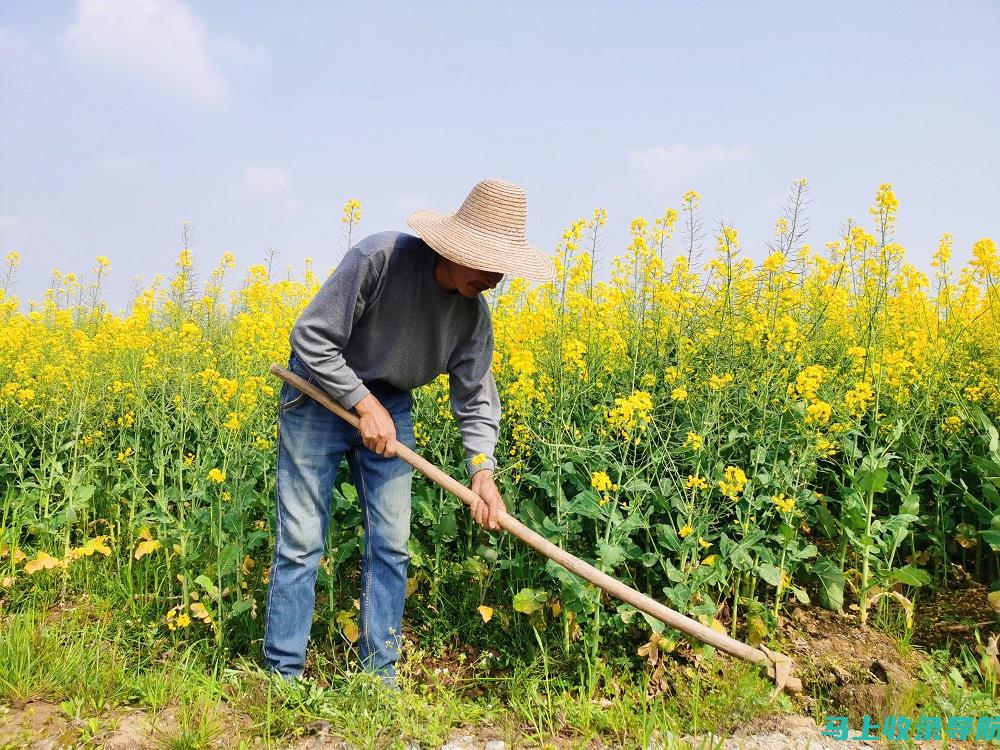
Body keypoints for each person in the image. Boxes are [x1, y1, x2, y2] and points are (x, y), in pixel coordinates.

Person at [263, 178, 555, 681]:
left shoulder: (471, 317)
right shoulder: (379, 258)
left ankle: (379, 679)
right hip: (318, 391)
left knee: (392, 543)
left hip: (390, 403)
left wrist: (483, 472)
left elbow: (476, 397)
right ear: (453, 247)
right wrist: (360, 400)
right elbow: (311, 336)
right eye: (487, 262)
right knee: (302, 541)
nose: (493, 278)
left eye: (501, 268)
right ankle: (282, 676)